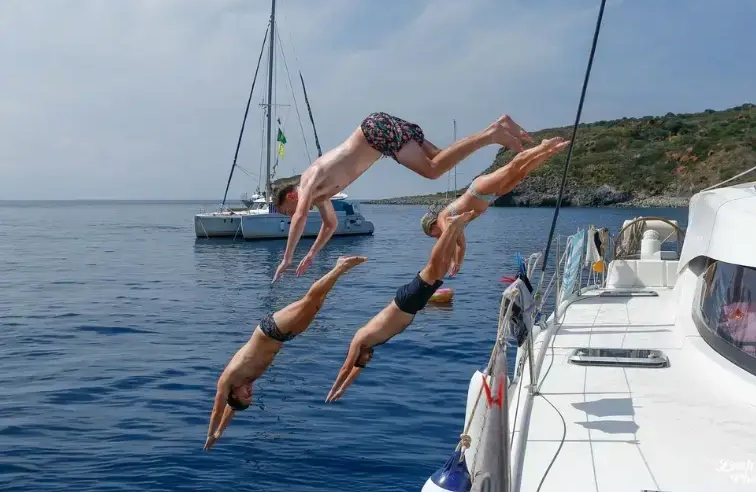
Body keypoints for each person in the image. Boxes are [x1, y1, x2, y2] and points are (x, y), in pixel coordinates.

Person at [270, 112, 533, 283]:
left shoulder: (308, 180)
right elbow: (331, 225)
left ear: (291, 195)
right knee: (441, 159)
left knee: (432, 170)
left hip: (374, 133)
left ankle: (492, 134)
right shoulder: (320, 195)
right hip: (379, 134)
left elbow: (301, 216)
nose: (289, 215)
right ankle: (496, 128)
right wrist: (313, 253)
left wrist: (287, 258)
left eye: (286, 210)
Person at [203, 255, 367, 451]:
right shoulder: (244, 383)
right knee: (316, 305)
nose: (250, 392)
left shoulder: (227, 380)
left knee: (309, 300)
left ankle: (340, 267)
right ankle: (339, 270)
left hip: (269, 329)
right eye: (250, 397)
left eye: (245, 396)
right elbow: (233, 408)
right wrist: (222, 432)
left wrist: (211, 434)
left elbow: (218, 409)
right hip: (283, 337)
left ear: (233, 394)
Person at [324, 211, 474, 403]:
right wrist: (341, 393)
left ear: (356, 355)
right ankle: (454, 229)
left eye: (363, 360)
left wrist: (332, 391)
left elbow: (346, 369)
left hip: (406, 301)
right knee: (441, 268)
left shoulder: (359, 339)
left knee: (434, 266)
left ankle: (452, 227)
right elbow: (354, 372)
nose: (368, 360)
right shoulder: (368, 344)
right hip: (413, 305)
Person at [419, 137, 571, 276]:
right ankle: (551, 151)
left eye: (433, 234)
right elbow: (461, 245)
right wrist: (457, 263)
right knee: (521, 172)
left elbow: (448, 244)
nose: (436, 237)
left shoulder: (442, 219)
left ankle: (543, 146)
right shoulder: (455, 227)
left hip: (478, 190)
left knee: (512, 167)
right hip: (489, 197)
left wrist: (447, 261)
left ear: (432, 225)